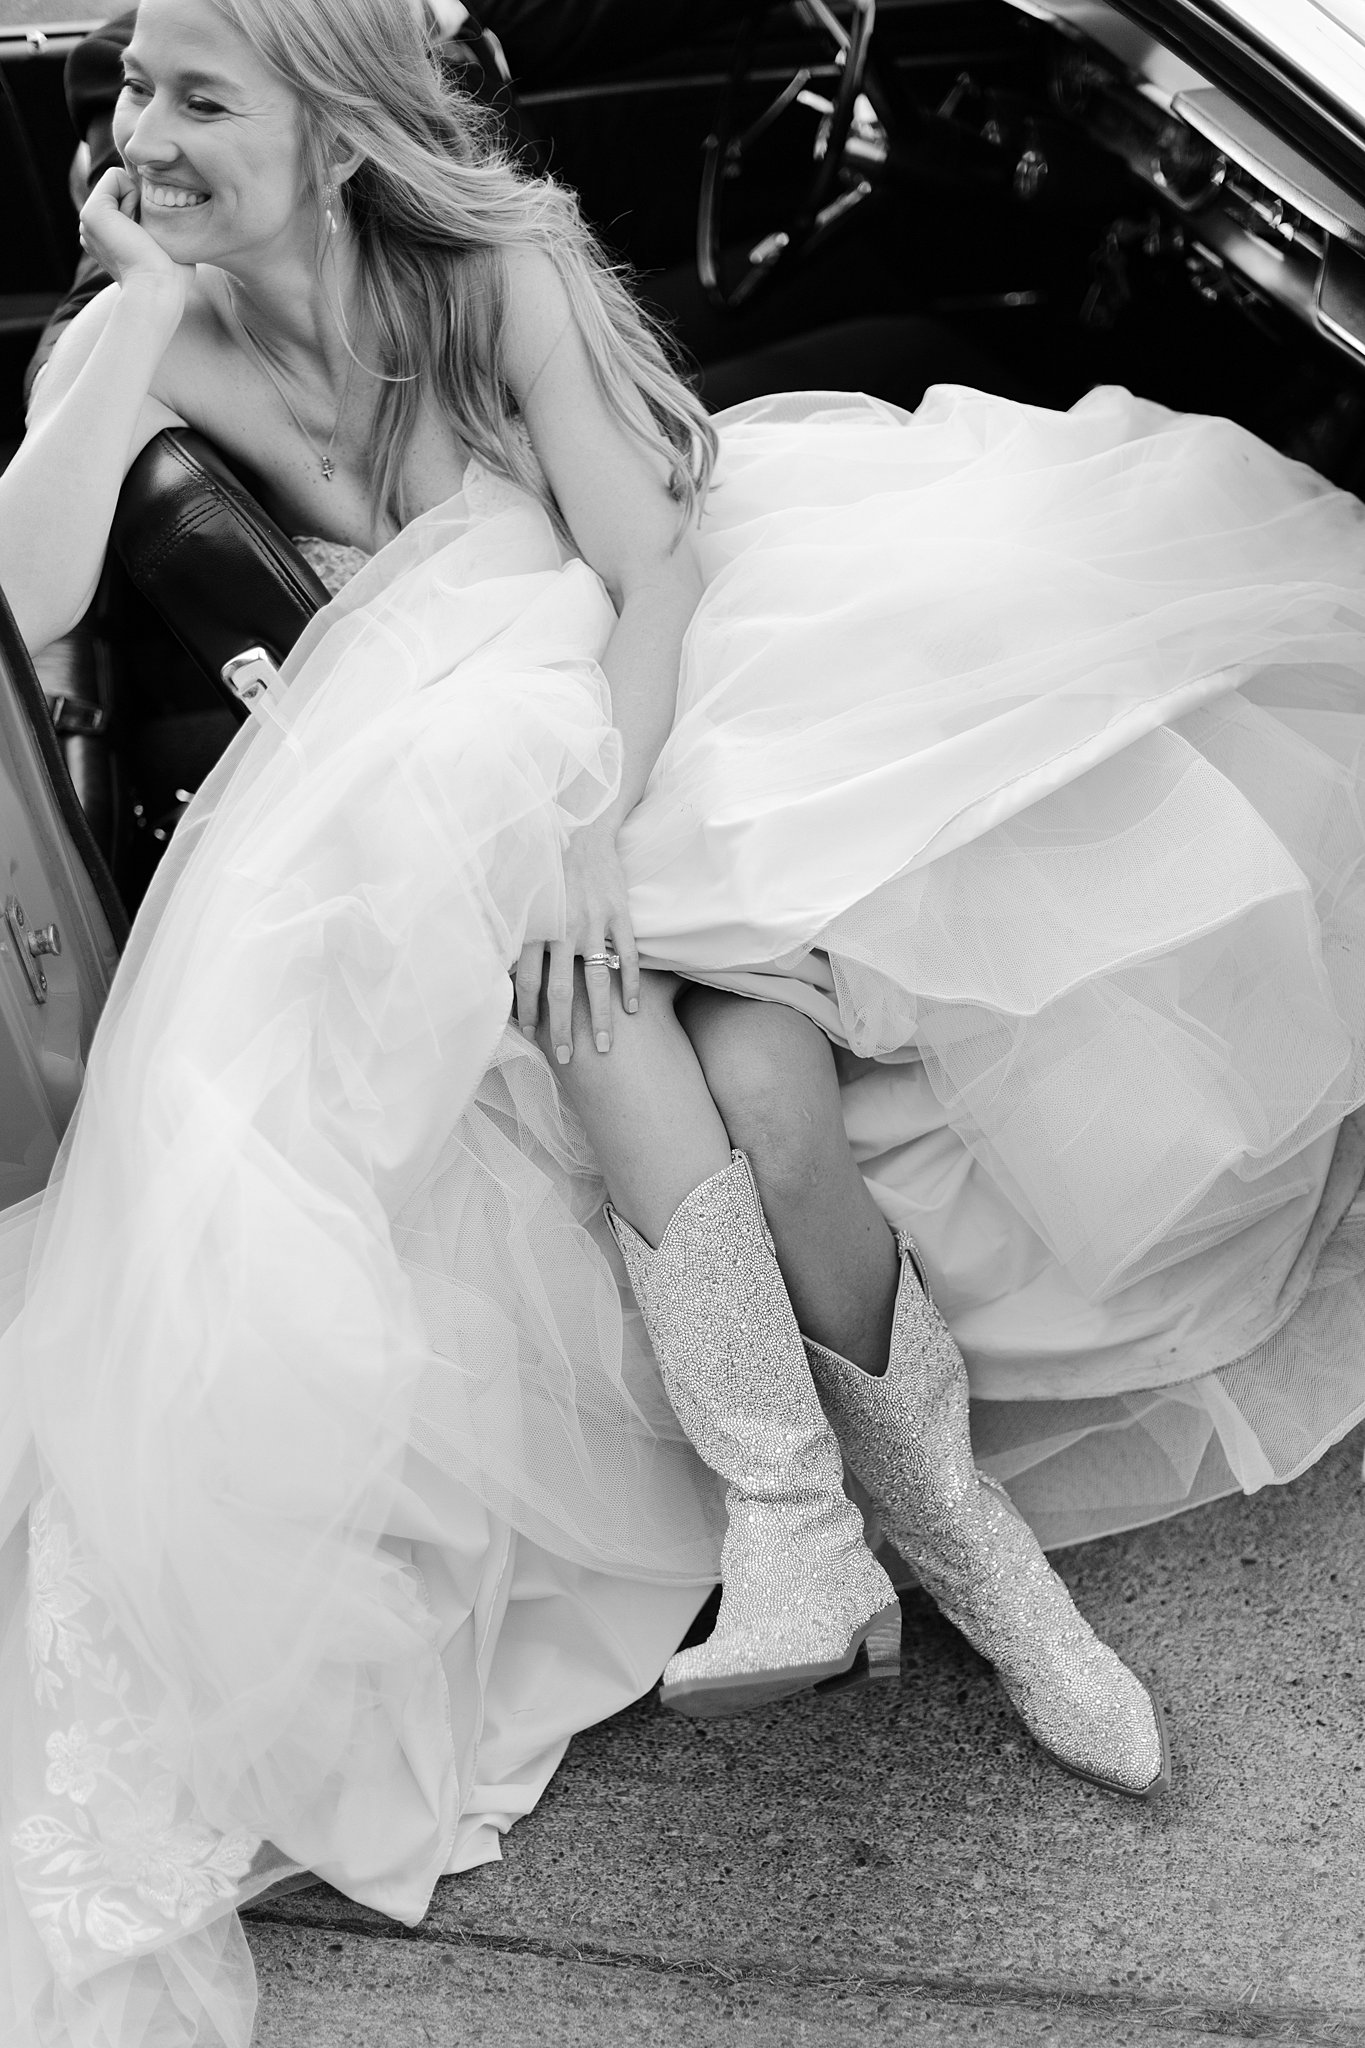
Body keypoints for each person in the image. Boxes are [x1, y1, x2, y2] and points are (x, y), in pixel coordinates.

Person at [3, 0, 1365, 2040]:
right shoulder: (155, 332)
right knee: (691, 1040)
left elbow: (643, 583)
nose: (146, 130)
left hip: (687, 686)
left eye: (202, 96)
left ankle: (907, 1551)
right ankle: (873, 1542)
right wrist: (105, 348)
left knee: (672, 1005)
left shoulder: (496, 269)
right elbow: (25, 601)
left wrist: (588, 838)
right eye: (132, 88)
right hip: (460, 758)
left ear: (341, 132)